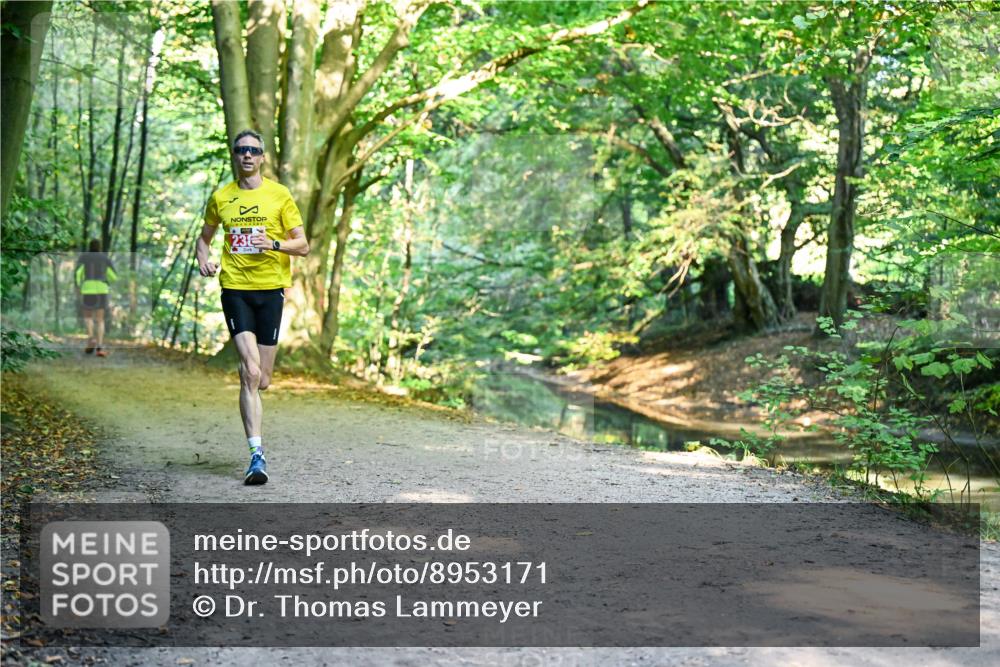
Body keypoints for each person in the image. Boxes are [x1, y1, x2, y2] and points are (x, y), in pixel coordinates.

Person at [196, 129, 310, 485]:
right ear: (234, 156)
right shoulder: (221, 197)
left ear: (262, 158)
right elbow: (204, 238)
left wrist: (273, 242)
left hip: (271, 290)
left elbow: (303, 245)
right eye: (241, 150)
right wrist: (205, 260)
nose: (247, 155)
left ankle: (256, 404)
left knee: (263, 379)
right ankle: (256, 456)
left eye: (253, 151)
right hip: (235, 289)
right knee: (248, 370)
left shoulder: (279, 195)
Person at [75, 239, 117, 357]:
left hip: (88, 289)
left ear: (89, 247)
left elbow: (78, 274)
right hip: (101, 289)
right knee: (100, 320)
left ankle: (91, 338)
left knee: (88, 317)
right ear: (100, 247)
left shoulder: (83, 258)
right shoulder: (105, 259)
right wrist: (107, 282)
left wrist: (79, 286)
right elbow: (113, 277)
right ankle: (99, 347)